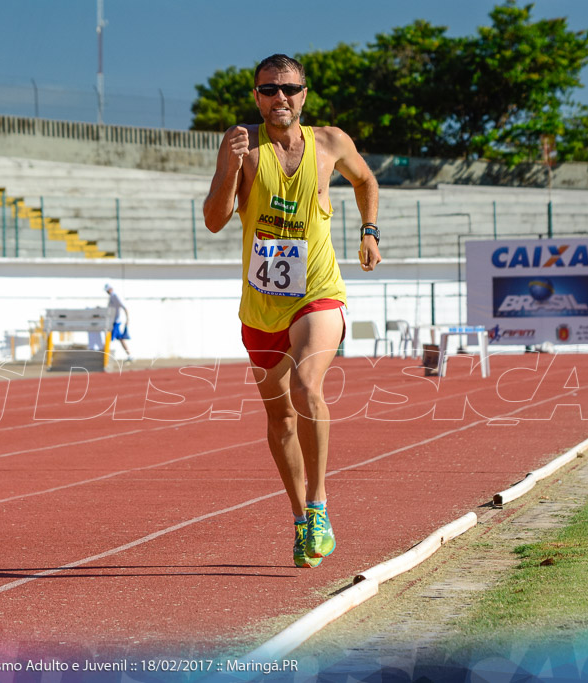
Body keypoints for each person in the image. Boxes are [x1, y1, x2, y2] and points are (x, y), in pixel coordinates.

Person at [203, 54, 381, 568]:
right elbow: (216, 220)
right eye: (269, 90)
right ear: (256, 96)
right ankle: (301, 517)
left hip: (318, 292)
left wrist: (368, 233)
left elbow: (366, 182)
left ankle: (320, 503)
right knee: (280, 416)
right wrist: (230, 167)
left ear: (305, 93)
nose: (280, 99)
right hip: (261, 307)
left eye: (290, 89)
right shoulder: (241, 145)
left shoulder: (330, 143)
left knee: (307, 386)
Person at [105, 283, 133, 363]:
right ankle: (129, 355)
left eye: (107, 291)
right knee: (120, 339)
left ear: (110, 289)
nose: (107, 292)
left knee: (108, 337)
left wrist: (128, 319)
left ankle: (106, 357)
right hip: (113, 322)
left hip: (115, 322)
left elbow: (124, 307)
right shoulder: (111, 297)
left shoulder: (115, 296)